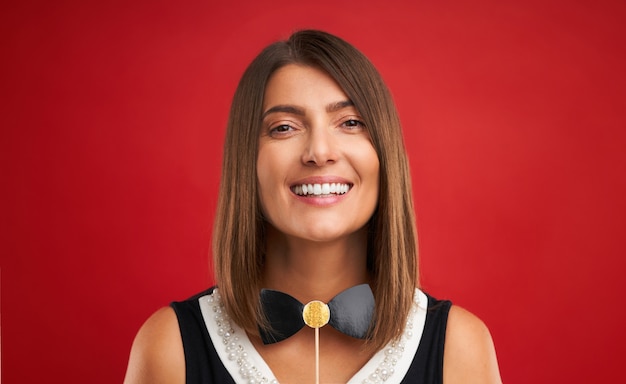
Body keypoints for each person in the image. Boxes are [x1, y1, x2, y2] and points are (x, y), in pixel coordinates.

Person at [124, 29, 502, 384]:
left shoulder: (460, 347)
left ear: (385, 155)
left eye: (350, 122)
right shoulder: (168, 346)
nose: (319, 152)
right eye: (284, 127)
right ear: (247, 161)